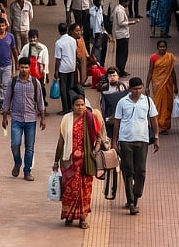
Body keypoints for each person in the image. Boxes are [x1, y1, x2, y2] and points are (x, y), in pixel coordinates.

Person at [52, 93, 106, 229]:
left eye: (82, 105)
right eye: (77, 105)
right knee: (69, 190)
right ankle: (69, 215)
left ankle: (83, 218)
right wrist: (56, 161)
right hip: (69, 162)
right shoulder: (66, 119)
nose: (80, 107)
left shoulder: (90, 118)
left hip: (86, 161)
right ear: (72, 106)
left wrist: (95, 150)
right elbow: (61, 141)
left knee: (85, 190)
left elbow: (99, 137)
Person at [112, 78, 159, 215]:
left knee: (141, 171)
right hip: (125, 140)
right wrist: (114, 141)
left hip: (142, 140)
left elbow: (153, 119)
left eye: (140, 88)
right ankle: (132, 203)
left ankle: (136, 195)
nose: (138, 91)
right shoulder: (122, 102)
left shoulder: (148, 101)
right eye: (135, 89)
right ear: (129, 89)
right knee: (128, 171)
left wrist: (156, 137)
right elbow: (117, 122)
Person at [2, 57, 47, 182]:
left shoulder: (35, 83)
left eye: (26, 67)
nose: (24, 69)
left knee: (29, 147)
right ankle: (17, 162)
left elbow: (40, 101)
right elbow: (7, 100)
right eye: (22, 67)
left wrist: (43, 118)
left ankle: (27, 171)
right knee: (15, 144)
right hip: (16, 118)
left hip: (31, 119)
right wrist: (4, 117)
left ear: (29, 68)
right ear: (18, 67)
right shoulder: (13, 82)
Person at [147, 40, 179, 135]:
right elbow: (150, 72)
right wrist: (147, 86)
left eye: (164, 46)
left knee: (168, 104)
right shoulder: (153, 58)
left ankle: (164, 126)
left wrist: (176, 85)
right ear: (157, 48)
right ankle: (157, 126)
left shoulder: (170, 57)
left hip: (168, 84)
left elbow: (172, 72)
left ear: (166, 47)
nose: (162, 48)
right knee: (158, 104)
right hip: (157, 84)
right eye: (160, 47)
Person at [53, 23, 79, 116]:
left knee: (63, 89)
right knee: (70, 88)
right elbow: (75, 53)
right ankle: (71, 106)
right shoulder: (73, 40)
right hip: (72, 67)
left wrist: (56, 71)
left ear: (59, 31)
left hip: (63, 68)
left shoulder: (59, 43)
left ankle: (65, 109)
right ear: (67, 29)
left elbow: (58, 58)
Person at [98, 69, 130, 135]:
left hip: (122, 118)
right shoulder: (104, 87)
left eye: (114, 75)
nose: (112, 77)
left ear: (118, 76)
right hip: (109, 117)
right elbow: (102, 104)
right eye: (110, 76)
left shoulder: (123, 86)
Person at [110, 0, 136, 76]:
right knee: (123, 54)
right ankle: (120, 70)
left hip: (120, 34)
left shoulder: (117, 8)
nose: (128, 4)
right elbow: (120, 23)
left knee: (120, 53)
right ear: (124, 2)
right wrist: (131, 23)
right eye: (127, 2)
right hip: (122, 35)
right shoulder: (120, 11)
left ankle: (121, 69)